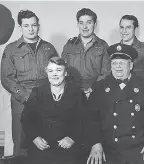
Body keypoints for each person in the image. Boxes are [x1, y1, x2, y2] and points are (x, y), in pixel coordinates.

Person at [85, 43, 144, 164]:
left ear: (131, 65)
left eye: (122, 63)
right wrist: (95, 143)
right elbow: (90, 119)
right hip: (109, 148)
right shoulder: (99, 87)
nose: (117, 67)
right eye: (114, 63)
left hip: (140, 146)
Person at [1, 9, 58, 162]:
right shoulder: (11, 49)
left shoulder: (49, 48)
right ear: (20, 27)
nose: (31, 29)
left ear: (38, 26)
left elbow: (57, 73)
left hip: (45, 98)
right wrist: (26, 97)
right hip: (21, 100)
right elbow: (7, 78)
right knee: (21, 140)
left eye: (34, 25)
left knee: (46, 139)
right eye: (26, 26)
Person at [20, 57, 85, 164]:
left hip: (67, 146)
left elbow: (84, 119)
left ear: (66, 73)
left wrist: (72, 138)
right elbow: (26, 118)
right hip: (42, 146)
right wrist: (35, 138)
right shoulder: (37, 92)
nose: (54, 74)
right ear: (47, 73)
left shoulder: (77, 93)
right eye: (50, 71)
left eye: (59, 70)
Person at [61, 8, 110, 98]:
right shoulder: (69, 45)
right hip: (72, 91)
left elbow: (106, 72)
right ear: (77, 25)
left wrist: (93, 88)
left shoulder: (103, 45)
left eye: (89, 22)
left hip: (96, 91)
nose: (85, 27)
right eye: (81, 23)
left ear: (95, 25)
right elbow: (62, 69)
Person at [119, 15, 144, 81]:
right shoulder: (115, 49)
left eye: (128, 27)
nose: (124, 31)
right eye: (122, 27)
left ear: (135, 29)